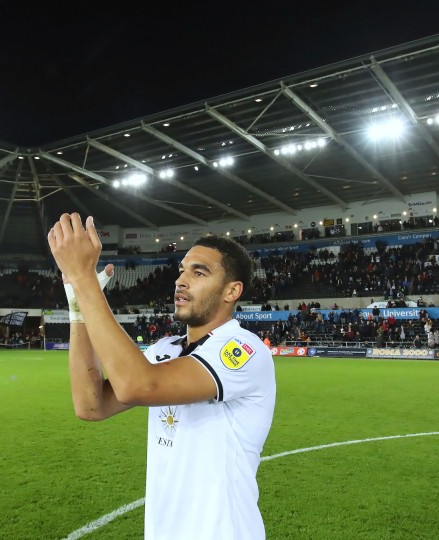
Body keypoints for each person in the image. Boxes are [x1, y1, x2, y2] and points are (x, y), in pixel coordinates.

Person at [47, 213, 276, 540]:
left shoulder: (243, 350)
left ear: (231, 291)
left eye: (199, 272)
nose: (180, 281)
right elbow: (90, 405)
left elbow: (137, 385)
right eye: (182, 270)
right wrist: (78, 307)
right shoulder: (165, 349)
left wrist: (84, 280)